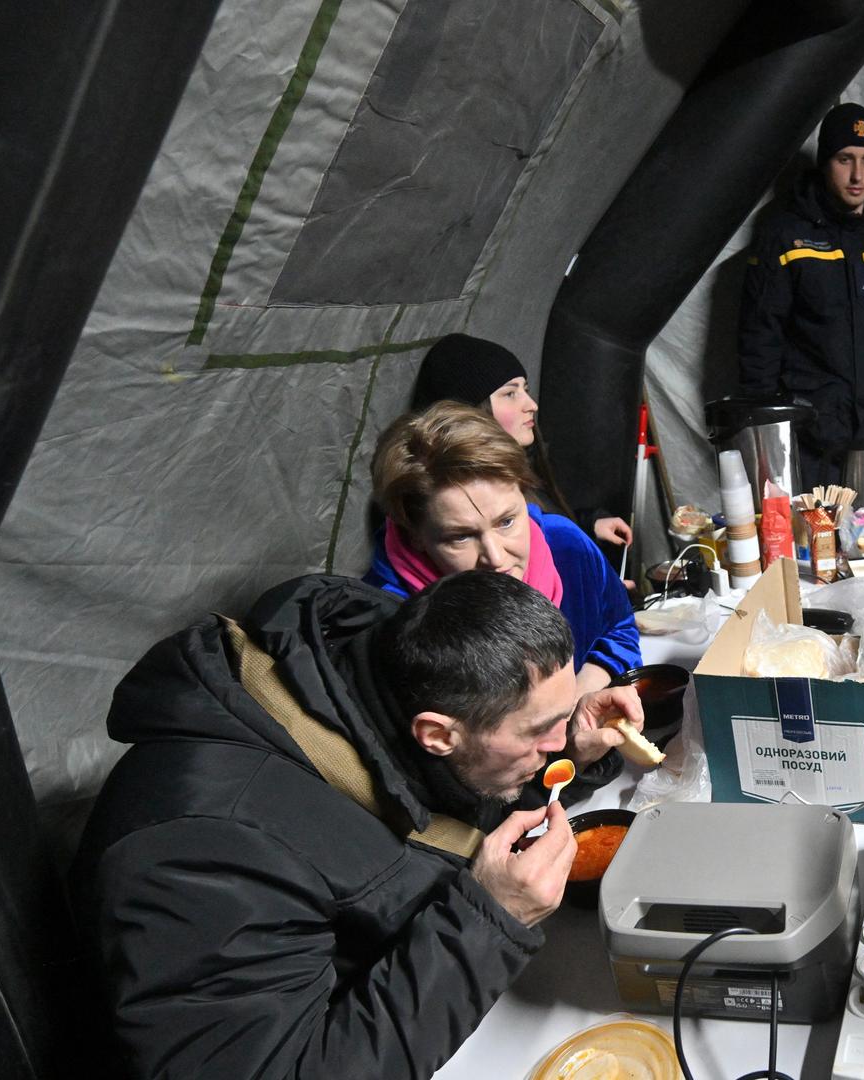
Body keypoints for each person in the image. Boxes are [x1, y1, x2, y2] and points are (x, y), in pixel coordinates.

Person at [73, 570, 648, 1078]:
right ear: (437, 734)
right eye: (538, 731)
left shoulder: (378, 671)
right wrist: (490, 920)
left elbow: (446, 788)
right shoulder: (201, 855)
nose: (552, 746)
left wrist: (567, 741)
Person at [366, 402, 640, 693]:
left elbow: (619, 627)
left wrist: (578, 697)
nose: (496, 558)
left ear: (524, 494)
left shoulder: (567, 547)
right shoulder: (387, 618)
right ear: (415, 536)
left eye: (507, 521)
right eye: (460, 537)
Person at [737, 102, 864, 486]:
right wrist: (773, 420)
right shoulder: (784, 236)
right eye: (844, 159)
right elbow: (760, 336)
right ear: (825, 163)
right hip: (815, 432)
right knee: (820, 539)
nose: (857, 175)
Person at [411, 332, 634, 548]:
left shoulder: (519, 465)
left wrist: (588, 525)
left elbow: (543, 532)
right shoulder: (467, 497)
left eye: (525, 390)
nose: (531, 405)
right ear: (471, 412)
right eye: (510, 394)